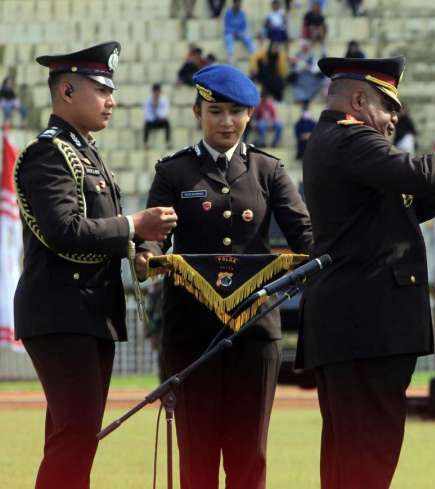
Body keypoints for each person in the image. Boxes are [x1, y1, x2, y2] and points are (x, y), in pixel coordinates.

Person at [296, 55, 435, 489]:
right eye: (389, 107)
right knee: (369, 456)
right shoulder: (350, 140)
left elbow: (409, 204)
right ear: (359, 100)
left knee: (349, 458)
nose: (395, 120)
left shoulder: (334, 144)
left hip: (351, 325)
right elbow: (416, 175)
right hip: (367, 328)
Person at [135, 64, 313, 489]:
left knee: (249, 454)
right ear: (198, 112)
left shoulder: (269, 171)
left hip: (253, 331)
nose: (226, 121)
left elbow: (306, 235)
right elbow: (156, 237)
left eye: (236, 111)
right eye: (216, 111)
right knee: (196, 454)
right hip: (191, 331)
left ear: (250, 115)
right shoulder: (174, 172)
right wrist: (147, 256)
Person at [13, 42, 177, 489]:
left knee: (75, 437)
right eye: (101, 89)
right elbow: (65, 230)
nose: (112, 100)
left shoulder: (84, 152)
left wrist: (140, 248)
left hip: (86, 314)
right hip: (62, 311)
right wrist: (133, 224)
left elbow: (101, 233)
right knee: (75, 436)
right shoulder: (48, 155)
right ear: (66, 90)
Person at [289, 40, 323, 105]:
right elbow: (295, 69)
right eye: (304, 46)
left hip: (311, 77)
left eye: (306, 46)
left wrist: (307, 67)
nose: (305, 48)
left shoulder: (312, 55)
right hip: (300, 78)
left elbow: (316, 69)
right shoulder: (297, 55)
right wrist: (301, 66)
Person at [143, 83, 171, 148]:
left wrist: (158, 113)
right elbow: (147, 114)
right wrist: (154, 107)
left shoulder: (164, 100)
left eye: (158, 92)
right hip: (152, 121)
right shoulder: (148, 100)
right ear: (153, 92)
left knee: (167, 123)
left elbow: (166, 111)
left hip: (161, 120)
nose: (157, 94)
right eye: (155, 92)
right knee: (146, 124)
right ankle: (146, 143)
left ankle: (167, 142)